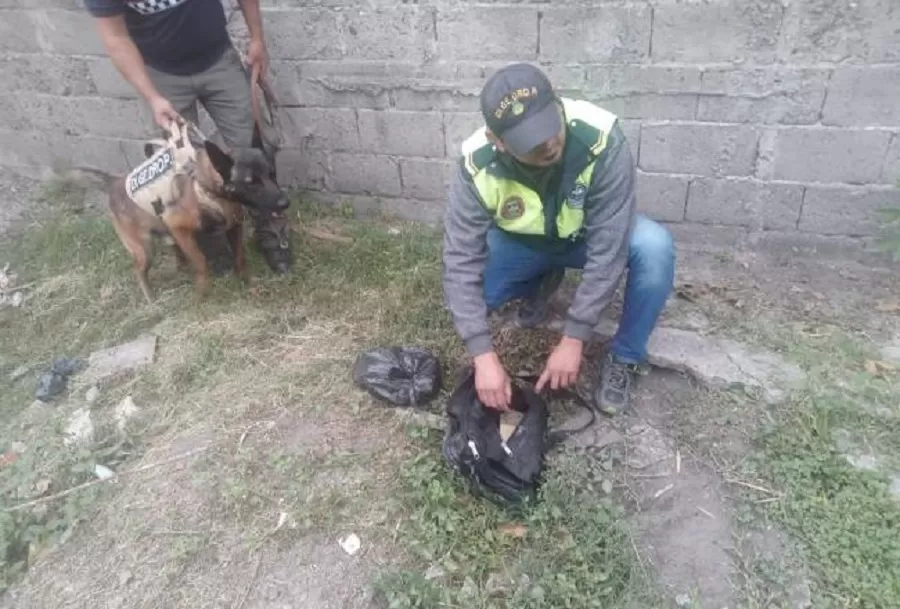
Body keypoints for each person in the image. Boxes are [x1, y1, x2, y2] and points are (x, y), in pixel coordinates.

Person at [442, 63, 676, 415]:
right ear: (499, 142)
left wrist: (575, 336)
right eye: (531, 142)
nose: (549, 143)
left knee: (654, 246)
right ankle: (540, 280)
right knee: (478, 296)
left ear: (557, 102)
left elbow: (609, 248)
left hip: (585, 238)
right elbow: (460, 260)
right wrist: (483, 357)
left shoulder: (601, 138)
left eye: (550, 126)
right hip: (524, 243)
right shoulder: (477, 163)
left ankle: (625, 356)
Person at [84, 0, 292, 274]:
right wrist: (153, 97)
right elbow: (115, 37)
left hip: (219, 60)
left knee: (252, 152)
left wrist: (256, 38)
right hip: (162, 76)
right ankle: (214, 249)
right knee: (183, 170)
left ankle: (272, 235)